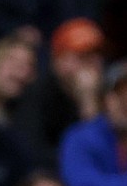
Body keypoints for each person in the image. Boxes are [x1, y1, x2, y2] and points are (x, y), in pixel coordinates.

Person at [30, 19, 106, 164]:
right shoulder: (38, 93)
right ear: (58, 61)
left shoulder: (110, 93)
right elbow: (32, 152)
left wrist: (89, 102)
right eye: (83, 56)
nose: (93, 64)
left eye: (98, 55)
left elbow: (107, 155)